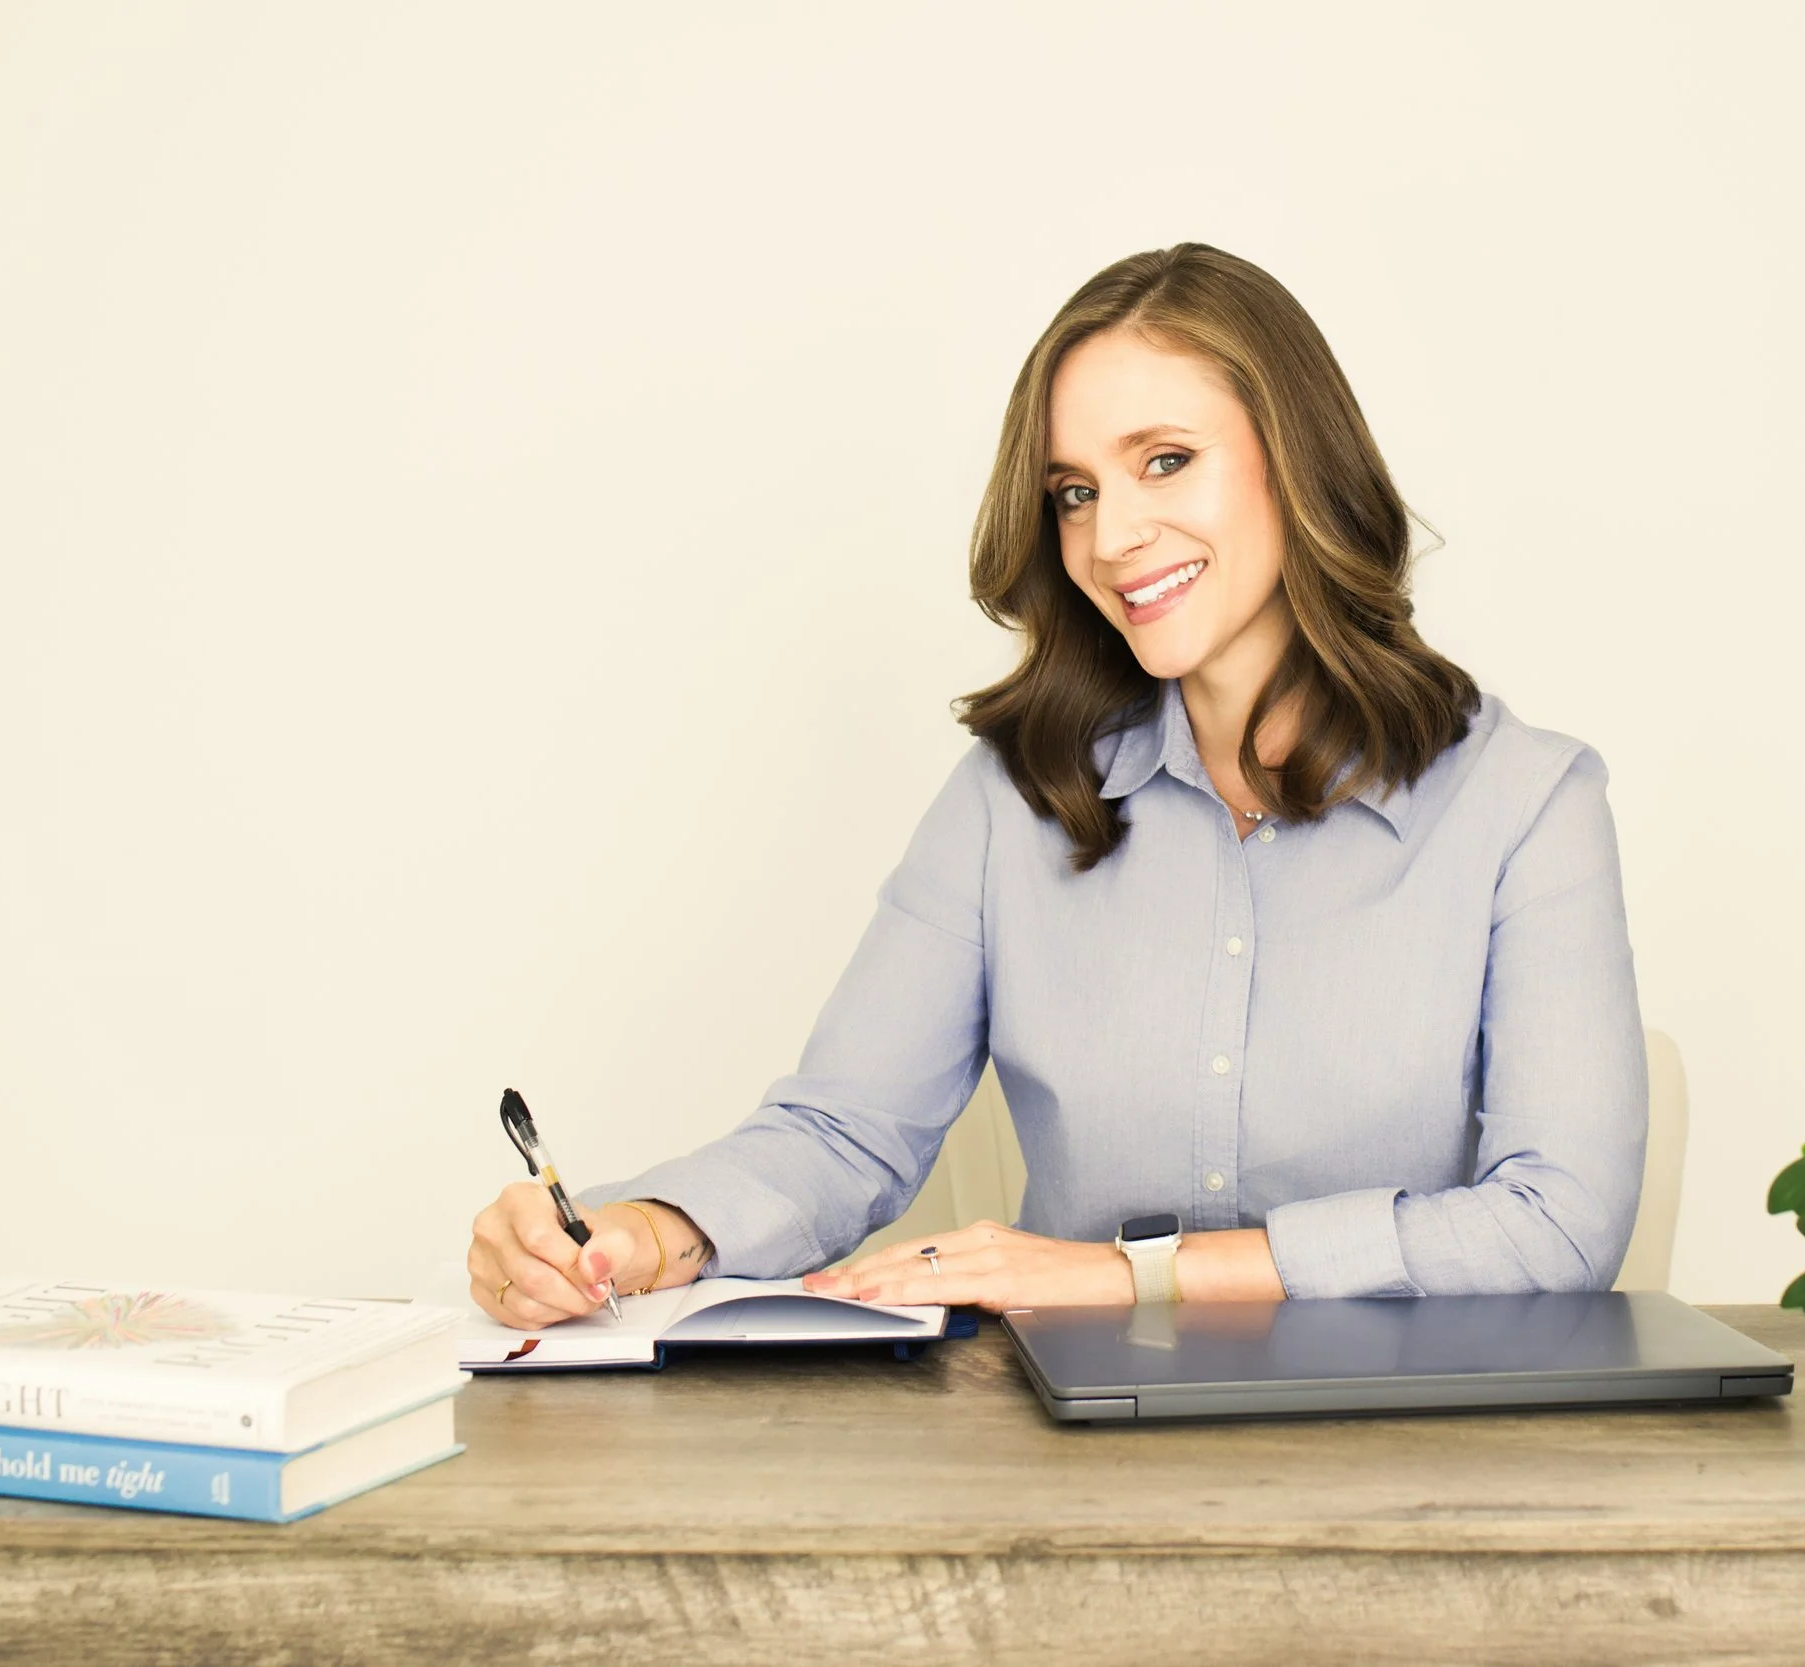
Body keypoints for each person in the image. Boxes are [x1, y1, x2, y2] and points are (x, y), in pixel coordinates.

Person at [466, 242, 1648, 1330]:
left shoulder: (1526, 805)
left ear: (1298, 461)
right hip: (1076, 1461)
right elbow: (844, 1128)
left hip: (1425, 1461)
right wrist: (640, 1233)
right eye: (1075, 490)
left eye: (1165, 462)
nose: (1111, 535)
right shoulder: (1011, 796)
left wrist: (1127, 1274)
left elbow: (1557, 1222)